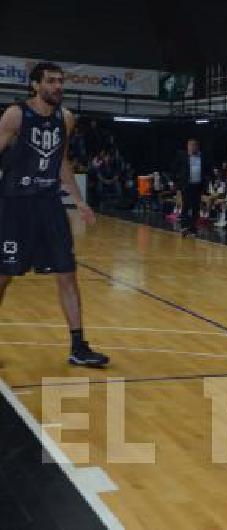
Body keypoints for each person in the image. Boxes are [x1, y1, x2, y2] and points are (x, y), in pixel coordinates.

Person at [0, 62, 108, 367]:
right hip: (14, 205)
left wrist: (79, 201)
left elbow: (61, 161)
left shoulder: (66, 118)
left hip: (49, 205)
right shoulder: (16, 114)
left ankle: (78, 346)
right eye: (51, 81)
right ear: (35, 85)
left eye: (61, 81)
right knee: (3, 277)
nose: (58, 86)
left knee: (67, 274)